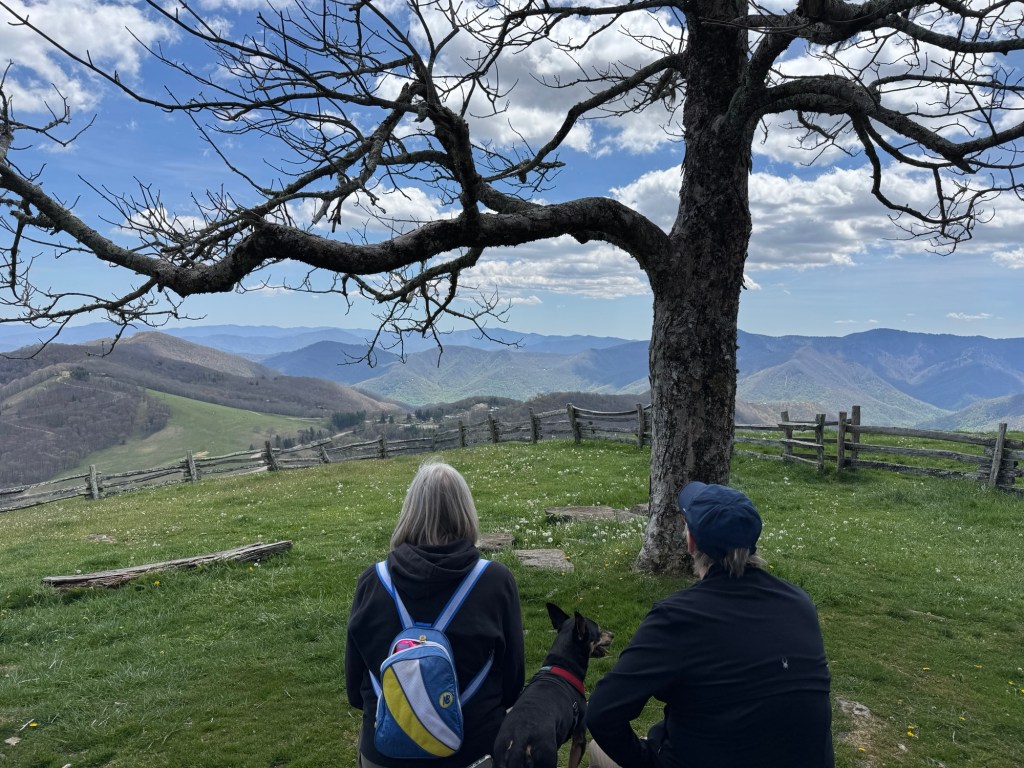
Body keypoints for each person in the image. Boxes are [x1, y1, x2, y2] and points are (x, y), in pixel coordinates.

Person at [586, 481, 834, 768]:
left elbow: (602, 713)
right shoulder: (799, 602)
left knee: (597, 750)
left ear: (691, 542)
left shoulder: (677, 618)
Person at [346, 461, 526, 768]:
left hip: (385, 754)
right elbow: (512, 685)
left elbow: (354, 691)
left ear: (409, 512)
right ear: (466, 512)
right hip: (473, 753)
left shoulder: (373, 581)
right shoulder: (495, 581)